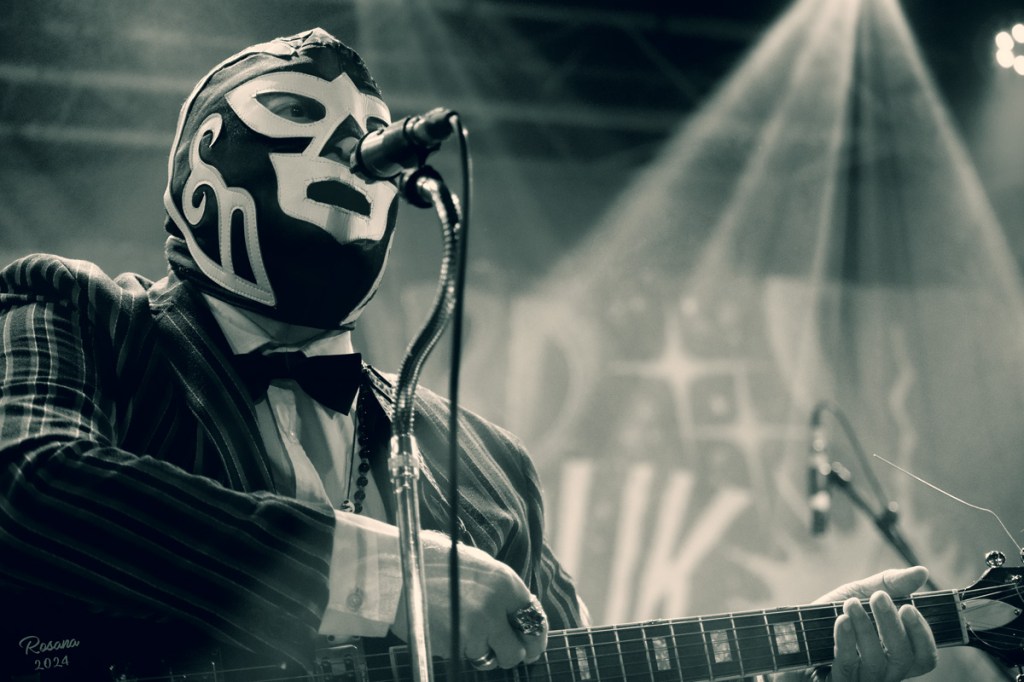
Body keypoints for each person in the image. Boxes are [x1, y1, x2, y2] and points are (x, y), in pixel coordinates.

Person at [0, 27, 936, 682]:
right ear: (202, 159)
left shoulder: (486, 467)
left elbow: (571, 668)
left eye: (368, 132)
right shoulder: (82, 314)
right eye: (294, 112)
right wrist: (389, 578)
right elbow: (23, 486)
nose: (354, 148)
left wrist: (794, 667)